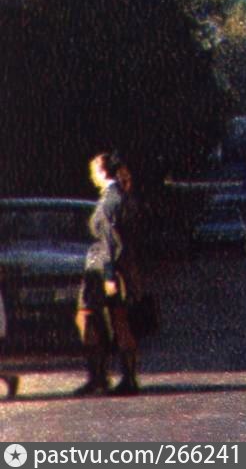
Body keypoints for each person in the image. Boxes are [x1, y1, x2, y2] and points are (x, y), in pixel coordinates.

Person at [75, 151, 141, 396]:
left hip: (105, 268)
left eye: (94, 170)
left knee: (93, 319)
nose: (91, 176)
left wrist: (110, 276)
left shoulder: (110, 200)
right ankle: (125, 378)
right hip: (117, 266)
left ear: (103, 172)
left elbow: (113, 242)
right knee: (118, 321)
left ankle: (102, 378)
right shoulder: (121, 196)